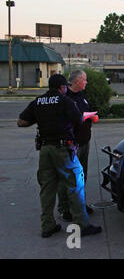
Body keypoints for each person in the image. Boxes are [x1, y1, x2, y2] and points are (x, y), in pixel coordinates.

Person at [17, 74, 101, 238]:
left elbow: (21, 121)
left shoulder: (38, 102)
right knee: (75, 184)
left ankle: (47, 226)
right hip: (62, 148)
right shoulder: (65, 101)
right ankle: (82, 225)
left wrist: (40, 119)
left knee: (47, 188)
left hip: (45, 149)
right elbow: (78, 120)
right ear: (62, 87)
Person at [57, 70, 97, 221]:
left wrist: (91, 117)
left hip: (84, 142)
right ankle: (65, 208)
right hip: (71, 144)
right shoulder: (65, 97)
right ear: (78, 81)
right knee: (67, 177)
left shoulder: (81, 96)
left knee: (81, 176)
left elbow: (83, 113)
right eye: (85, 80)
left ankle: (80, 204)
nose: (86, 82)